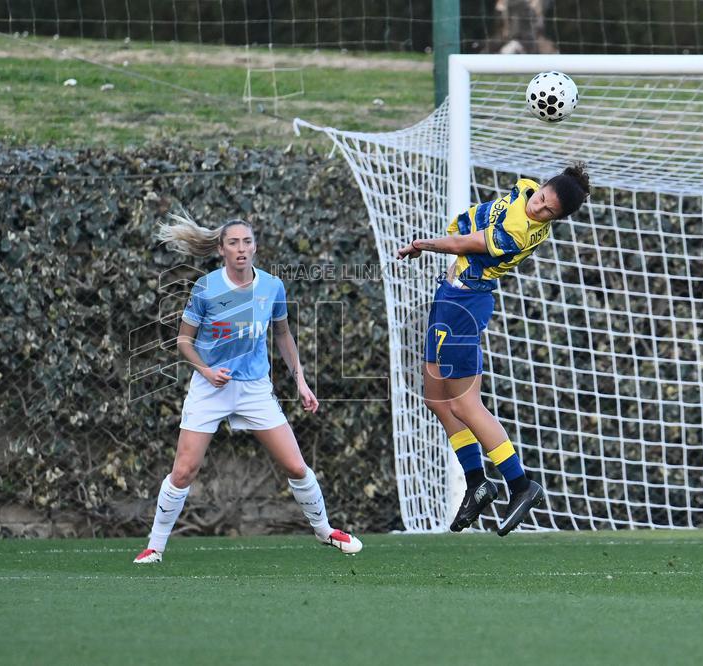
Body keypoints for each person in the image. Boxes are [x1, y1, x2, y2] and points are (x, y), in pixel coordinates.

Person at [133, 213, 362, 564]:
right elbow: (183, 341)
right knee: (184, 471)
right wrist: (207, 372)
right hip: (210, 389)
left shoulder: (272, 287)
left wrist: (300, 380)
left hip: (254, 388)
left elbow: (283, 334)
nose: (241, 249)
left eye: (247, 242)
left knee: (296, 467)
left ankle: (324, 530)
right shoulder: (206, 288)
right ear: (222, 250)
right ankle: (155, 546)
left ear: (254, 247)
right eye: (233, 243)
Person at [396, 164, 590, 536]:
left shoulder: (519, 233)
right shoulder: (526, 189)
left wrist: (423, 245)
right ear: (542, 185)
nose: (540, 208)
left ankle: (520, 484)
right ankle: (477, 482)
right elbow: (521, 192)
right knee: (436, 399)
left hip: (465, 307)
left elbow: (462, 244)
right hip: (449, 296)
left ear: (555, 220)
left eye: (550, 212)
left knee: (465, 405)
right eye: (543, 198)